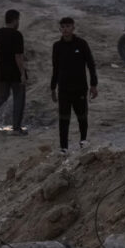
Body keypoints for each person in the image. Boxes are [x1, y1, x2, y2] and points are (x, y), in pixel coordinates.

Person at [51, 17, 98, 154]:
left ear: (73, 28)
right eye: (63, 27)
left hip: (80, 88)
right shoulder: (57, 46)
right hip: (64, 89)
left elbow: (91, 64)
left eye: (68, 26)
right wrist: (53, 87)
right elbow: (55, 68)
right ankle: (64, 147)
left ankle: (83, 141)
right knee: (63, 119)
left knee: (82, 117)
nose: (65, 29)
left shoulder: (82, 44)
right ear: (60, 29)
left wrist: (93, 85)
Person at [0, 10, 27, 135]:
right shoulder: (17, 35)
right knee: (19, 98)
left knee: (0, 97)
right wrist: (23, 73)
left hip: (1, 71)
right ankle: (16, 128)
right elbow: (18, 57)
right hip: (14, 72)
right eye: (18, 20)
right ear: (15, 20)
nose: (18, 22)